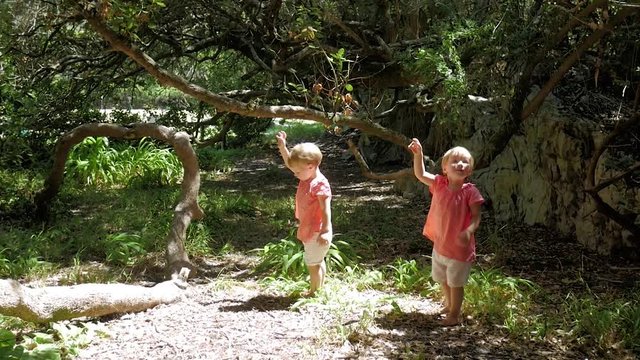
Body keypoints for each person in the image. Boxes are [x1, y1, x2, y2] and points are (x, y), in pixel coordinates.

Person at [408, 138, 484, 326]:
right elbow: (420, 174)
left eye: (466, 161)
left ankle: (454, 315)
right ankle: (449, 304)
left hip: (459, 250)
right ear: (445, 168)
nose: (461, 164)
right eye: (455, 161)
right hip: (440, 245)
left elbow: (476, 217)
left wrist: (468, 231)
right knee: (443, 279)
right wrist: (418, 155)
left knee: (456, 283)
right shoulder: (439, 184)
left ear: (470, 170)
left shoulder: (470, 192)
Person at [275, 130, 333, 296]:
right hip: (311, 227)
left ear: (311, 166)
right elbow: (291, 163)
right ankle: (319, 288)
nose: (295, 174)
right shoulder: (306, 177)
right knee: (317, 261)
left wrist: (325, 231)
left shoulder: (319, 185)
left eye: (298, 172)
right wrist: (282, 147)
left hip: (317, 230)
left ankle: (314, 292)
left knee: (312, 264)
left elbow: (325, 209)